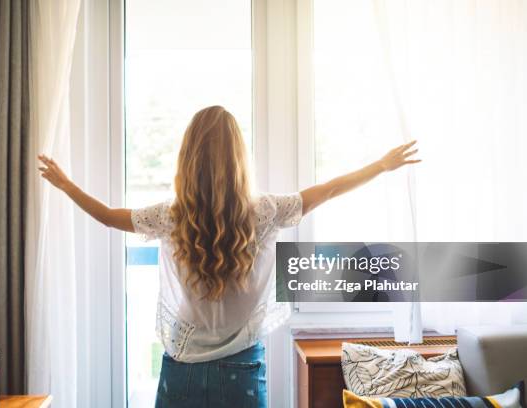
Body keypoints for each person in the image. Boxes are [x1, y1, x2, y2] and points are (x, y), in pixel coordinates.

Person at [38, 105, 420, 407]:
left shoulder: (171, 216)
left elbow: (107, 217)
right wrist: (380, 166)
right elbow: (330, 189)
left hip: (182, 368)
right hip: (242, 366)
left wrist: (66, 184)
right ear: (239, 158)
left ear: (188, 159)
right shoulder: (266, 212)